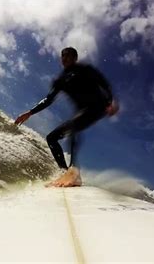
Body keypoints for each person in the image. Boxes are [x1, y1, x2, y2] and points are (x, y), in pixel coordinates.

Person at [14, 47, 119, 187]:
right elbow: (48, 99)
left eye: (69, 56)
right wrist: (30, 112)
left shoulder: (85, 69)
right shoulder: (61, 80)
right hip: (81, 113)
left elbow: (104, 84)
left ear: (75, 58)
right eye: (63, 56)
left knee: (74, 124)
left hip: (99, 107)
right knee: (51, 138)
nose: (65, 59)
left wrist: (111, 101)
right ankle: (65, 172)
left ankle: (74, 172)